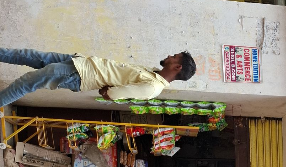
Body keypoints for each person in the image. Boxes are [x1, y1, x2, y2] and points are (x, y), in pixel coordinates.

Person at [0, 48, 196, 108]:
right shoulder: (153, 73)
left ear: (177, 67)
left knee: (27, 82)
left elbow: (113, 94)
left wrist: (108, 89)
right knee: (27, 55)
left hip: (81, 75)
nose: (169, 56)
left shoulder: (153, 87)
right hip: (80, 62)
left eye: (174, 57)